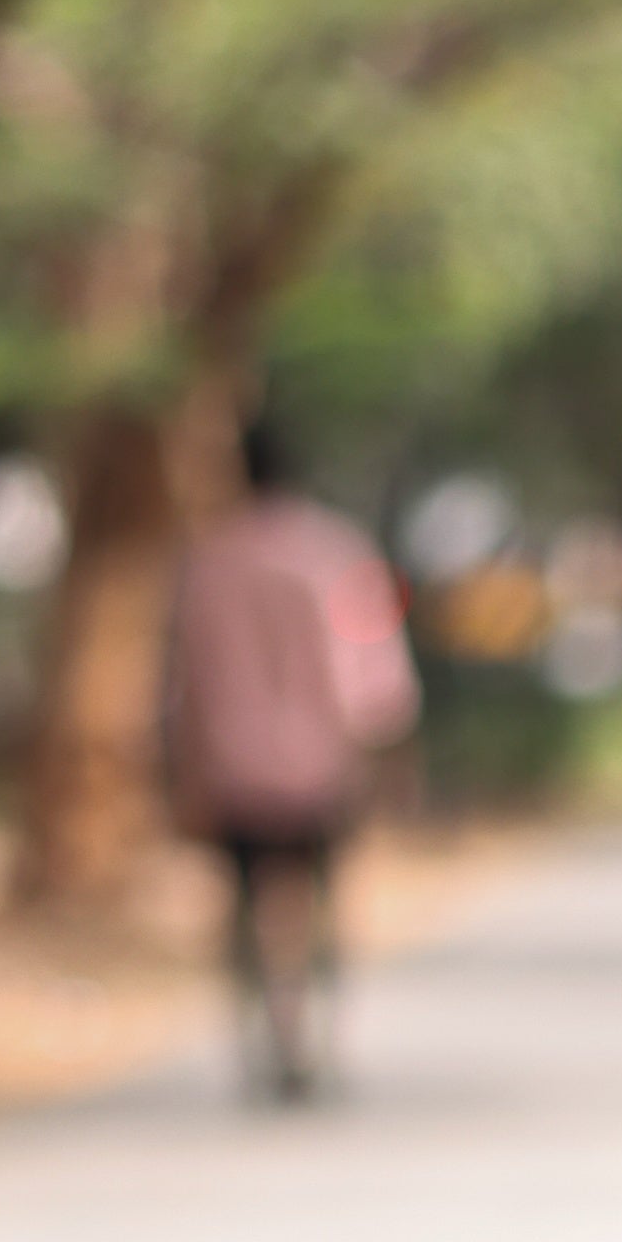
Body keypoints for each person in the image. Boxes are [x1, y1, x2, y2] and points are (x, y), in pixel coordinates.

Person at [160, 420, 418, 1103]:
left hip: (232, 767)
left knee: (245, 910)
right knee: (323, 907)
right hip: (322, 763)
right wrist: (383, 760)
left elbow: (185, 682)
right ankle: (320, 1038)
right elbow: (377, 678)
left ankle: (260, 1040)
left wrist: (181, 769)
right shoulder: (336, 552)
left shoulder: (208, 559)